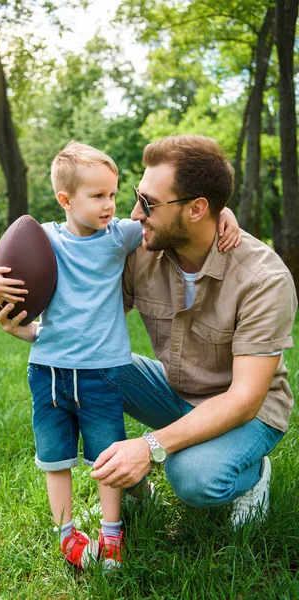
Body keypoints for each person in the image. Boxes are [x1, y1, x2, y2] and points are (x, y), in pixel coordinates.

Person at [0, 141, 240, 570]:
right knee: (54, 456)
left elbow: (192, 218)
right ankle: (66, 534)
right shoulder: (44, 239)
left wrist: (223, 213)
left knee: (108, 453)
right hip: (47, 369)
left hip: (102, 372)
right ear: (66, 200)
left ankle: (112, 533)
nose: (111, 205)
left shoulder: (121, 235)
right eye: (97, 196)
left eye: (114, 195)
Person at [90, 134, 297, 529]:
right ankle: (133, 494)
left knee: (192, 478)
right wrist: (14, 306)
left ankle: (253, 474)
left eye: (148, 204)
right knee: (81, 371)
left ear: (198, 209)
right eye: (137, 197)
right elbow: (68, 242)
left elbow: (244, 400)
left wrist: (150, 446)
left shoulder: (263, 279)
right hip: (176, 390)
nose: (134, 214)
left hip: (248, 413)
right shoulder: (144, 248)